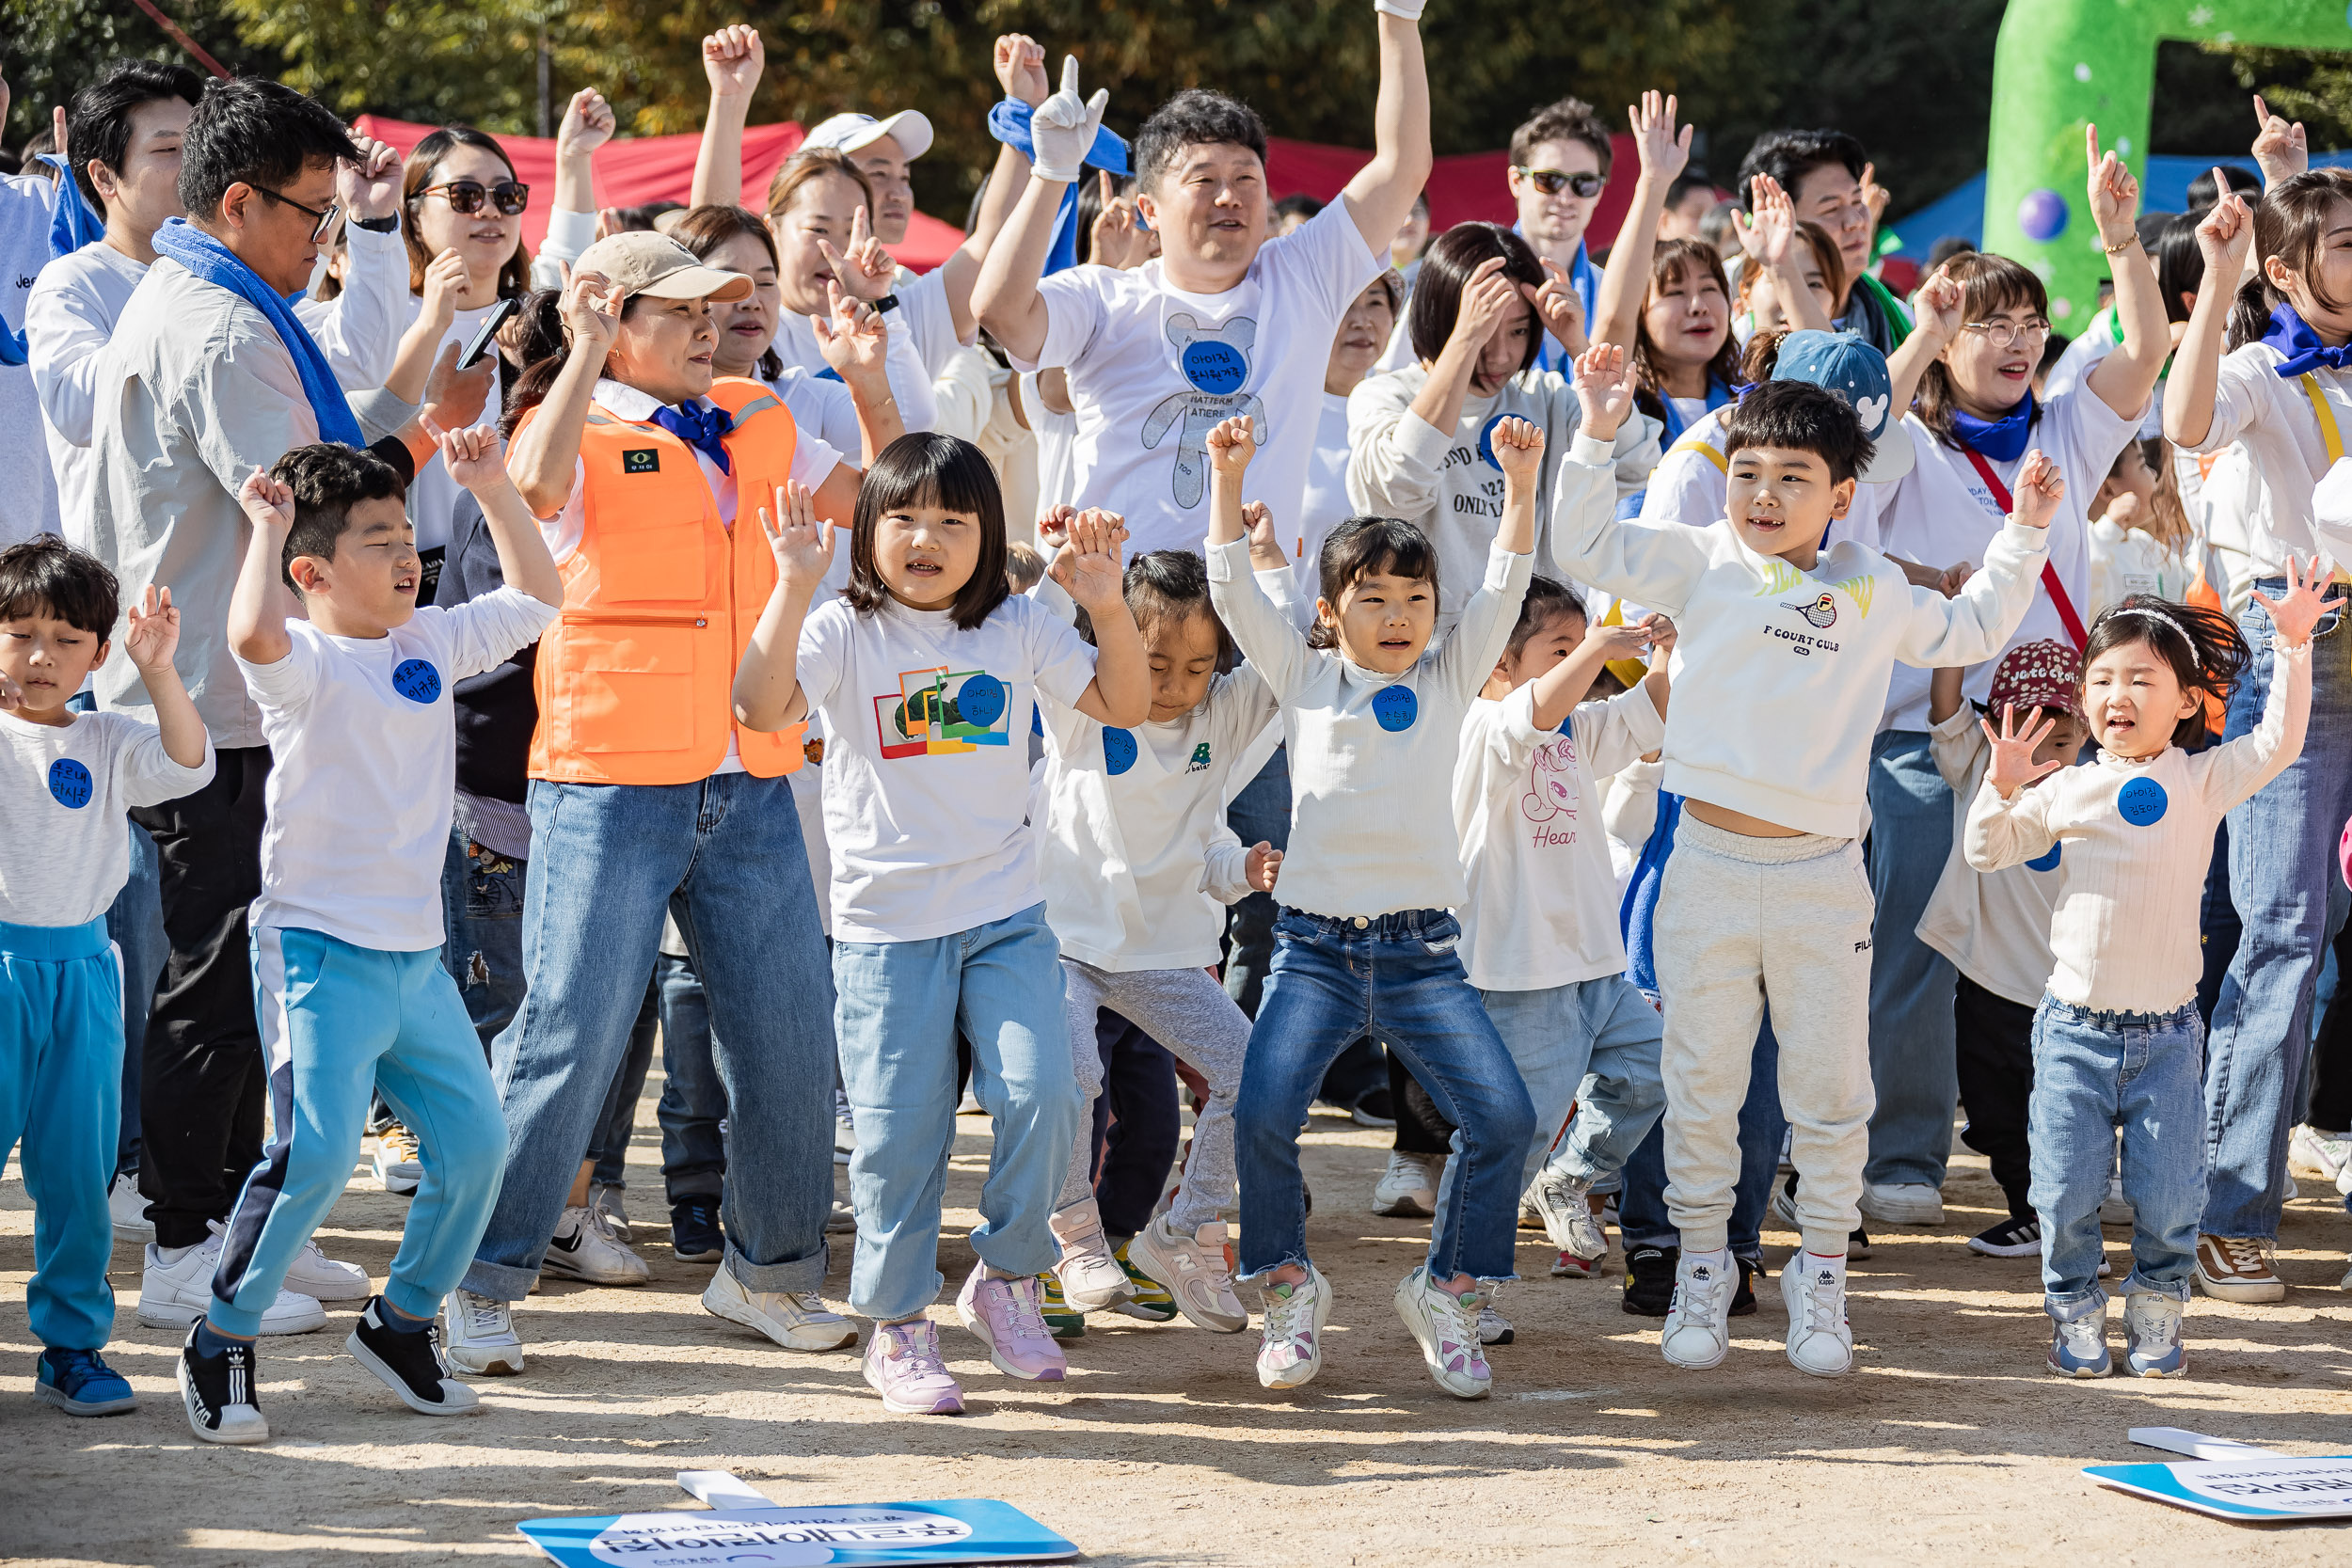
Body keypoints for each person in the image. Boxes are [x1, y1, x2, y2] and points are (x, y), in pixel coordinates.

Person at [1554, 357, 2060, 1378]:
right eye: (1747, 472)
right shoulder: (1696, 558)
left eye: (1793, 477)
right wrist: (1594, 432)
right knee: (1699, 1086)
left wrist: (2028, 527)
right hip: (1703, 865)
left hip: (1823, 876)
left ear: (1841, 494)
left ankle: (1819, 1275)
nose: (1764, 495)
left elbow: (1971, 625)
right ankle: (1704, 1265)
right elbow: (1586, 542)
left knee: (1830, 1093)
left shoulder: (1872, 584)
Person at [83, 76, 489, 1338]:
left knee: (260, 972)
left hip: (237, 692)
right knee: (208, 977)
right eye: (313, 215)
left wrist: (417, 391)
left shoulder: (233, 299)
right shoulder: (216, 322)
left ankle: (247, 1219)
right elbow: (318, 500)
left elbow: (327, 446)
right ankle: (189, 1239)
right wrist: (429, 432)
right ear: (239, 200)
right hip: (212, 699)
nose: (323, 237)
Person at [435, 234, 854, 1377]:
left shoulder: (760, 415)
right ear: (613, 319)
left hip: (752, 769)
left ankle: (765, 1270)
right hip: (610, 774)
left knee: (788, 1035)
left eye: (719, 307)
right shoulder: (568, 424)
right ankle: (477, 1277)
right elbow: (535, 489)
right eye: (680, 311)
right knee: (567, 1031)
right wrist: (577, 352)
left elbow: (873, 496)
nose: (712, 325)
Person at [727, 444, 1148, 1414]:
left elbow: (1124, 703)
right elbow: (759, 708)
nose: (927, 539)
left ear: (986, 538)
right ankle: (899, 1323)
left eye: (954, 522)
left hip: (1004, 916)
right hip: (883, 928)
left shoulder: (1017, 624)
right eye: (905, 518)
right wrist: (792, 584)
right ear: (869, 532)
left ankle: (1006, 1277)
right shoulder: (841, 627)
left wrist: (1108, 601)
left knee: (1047, 1088)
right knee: (897, 1139)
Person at [177, 429, 558, 1444]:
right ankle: (221, 1336)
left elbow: (538, 600)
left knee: (478, 1145)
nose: (406, 556)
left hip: (414, 955)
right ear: (314, 570)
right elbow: (252, 629)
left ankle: (400, 1323)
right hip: (314, 950)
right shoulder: (300, 659)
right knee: (315, 1155)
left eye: (406, 535)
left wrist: (492, 488)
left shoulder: (427, 639)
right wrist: (261, 530)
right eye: (378, 539)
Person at [1864, 132, 2164, 1230]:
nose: (2018, 339)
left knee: (2063, 954)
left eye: (2028, 321)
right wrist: (1922, 332)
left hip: (2060, 742)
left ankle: (2069, 1154)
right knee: (1915, 948)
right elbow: (1850, 460)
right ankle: (1900, 1155)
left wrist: (2121, 239)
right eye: (1990, 322)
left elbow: (2142, 348)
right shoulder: (1909, 447)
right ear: (1945, 341)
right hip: (1923, 735)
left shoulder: (2067, 427)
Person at [1207, 407, 1538, 1401]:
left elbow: (1506, 582)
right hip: (1310, 949)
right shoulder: (1303, 676)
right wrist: (1227, 479)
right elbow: (1232, 589)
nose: (1396, 612)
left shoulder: (1448, 680)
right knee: (1262, 1113)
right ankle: (1285, 1286)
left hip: (1422, 954)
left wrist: (1521, 487)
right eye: (1371, 595)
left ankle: (1447, 1287)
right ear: (1327, 611)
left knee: (1503, 1118)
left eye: (1414, 595)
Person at [1966, 572, 2327, 1375]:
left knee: (2170, 1202)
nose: (2117, 693)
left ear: (2189, 700)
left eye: (2141, 679)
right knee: (2061, 1195)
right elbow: (1985, 850)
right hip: (2072, 1034)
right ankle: (2074, 1311)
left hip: (2169, 1039)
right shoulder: (2066, 788)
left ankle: (2159, 1311)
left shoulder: (2201, 782)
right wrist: (2001, 784)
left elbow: (2280, 743)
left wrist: (2295, 646)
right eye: (2101, 678)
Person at [975, 1, 1433, 559]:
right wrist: (1051, 174)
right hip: (1116, 615)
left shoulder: (1303, 276)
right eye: (1204, 179)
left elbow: (1402, 166)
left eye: (1246, 178)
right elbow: (999, 311)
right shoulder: (1104, 295)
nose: (1229, 195)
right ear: (1148, 208)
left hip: (1251, 625)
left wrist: (1398, 17)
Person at [2163, 153, 2352, 1302]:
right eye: (2344, 242)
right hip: (2298, 644)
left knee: (2297, 927)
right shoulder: (2252, 366)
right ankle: (2231, 1212)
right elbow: (2183, 420)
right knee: (2280, 927)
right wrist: (2220, 274)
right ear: (2286, 269)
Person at [1034, 543, 1284, 1333]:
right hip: (1068, 942)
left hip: (1163, 956)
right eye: (1156, 662)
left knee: (1255, 1072)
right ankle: (1073, 1233)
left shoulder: (1224, 714)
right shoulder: (1083, 708)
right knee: (1074, 1070)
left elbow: (1284, 660)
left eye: (1198, 665)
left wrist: (1241, 867)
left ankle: (1184, 1234)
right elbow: (1035, 632)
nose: (1175, 686)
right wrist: (1068, 565)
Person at [2, 537, 211, 1418]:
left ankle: (73, 1348)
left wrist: (159, 670)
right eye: (19, 633)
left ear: (96, 650)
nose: (41, 655)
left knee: (78, 1177)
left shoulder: (111, 737)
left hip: (86, 973)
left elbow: (191, 764)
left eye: (65, 636)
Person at [29, 61, 409, 546]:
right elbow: (78, 410)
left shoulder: (240, 285)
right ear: (105, 177)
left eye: (197, 146)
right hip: (138, 597)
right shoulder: (77, 283)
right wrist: (178, 327)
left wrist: (372, 220)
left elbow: (357, 354)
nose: (192, 164)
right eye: (168, 149)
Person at [1452, 576, 1674, 1291]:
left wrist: (1664, 655)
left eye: (1581, 648)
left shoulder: (1574, 724)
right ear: (1497, 664)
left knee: (1655, 1070)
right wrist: (1603, 648)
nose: (1580, 662)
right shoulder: (1482, 724)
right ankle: (1461, 1284)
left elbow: (1648, 713)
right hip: (1522, 975)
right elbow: (1535, 713)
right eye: (1560, 648)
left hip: (1595, 966)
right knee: (1504, 1140)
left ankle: (1569, 1178)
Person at [1344, 222, 1658, 636]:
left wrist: (1576, 343)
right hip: (1433, 658)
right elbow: (1398, 488)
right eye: (1486, 328)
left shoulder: (1545, 397)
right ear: (1442, 313)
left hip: (1537, 658)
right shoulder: (1385, 396)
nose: (1500, 353)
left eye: (1520, 330)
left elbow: (1634, 467)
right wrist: (1463, 342)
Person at [1915, 640, 2086, 1258]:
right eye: (2033, 738)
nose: (2049, 757)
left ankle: (2043, 1213)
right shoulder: (1979, 766)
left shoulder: (2093, 788)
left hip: (2064, 991)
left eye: (2065, 741)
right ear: (2000, 730)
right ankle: (2043, 1208)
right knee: (1988, 1114)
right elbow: (1943, 706)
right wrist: (1956, 631)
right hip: (1987, 982)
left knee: (2055, 1113)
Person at [1732, 129, 1908, 355]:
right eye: (1831, 208)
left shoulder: (1899, 319)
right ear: (1776, 218)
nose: (1855, 221)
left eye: (1857, 201)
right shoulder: (1735, 342)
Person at [1502, 95, 1614, 370]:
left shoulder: (1611, 294)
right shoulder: (1472, 276)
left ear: (1599, 191)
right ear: (1517, 181)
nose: (1565, 197)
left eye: (1584, 183)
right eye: (1549, 180)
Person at [1299, 274, 1401, 576]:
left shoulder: (1407, 408)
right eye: (1345, 304)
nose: (1361, 321)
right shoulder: (1283, 412)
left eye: (1375, 303)